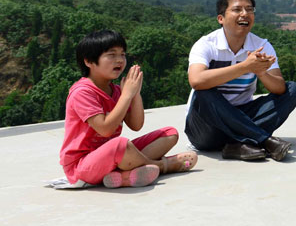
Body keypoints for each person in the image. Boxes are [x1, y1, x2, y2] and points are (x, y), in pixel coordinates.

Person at [60, 30, 197, 188]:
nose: (119, 60)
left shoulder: (117, 91)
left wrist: (135, 94)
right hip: (82, 166)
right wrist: (126, 95)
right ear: (89, 61)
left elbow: (136, 125)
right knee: (120, 145)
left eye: (122, 54)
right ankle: (163, 166)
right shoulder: (82, 92)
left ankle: (123, 176)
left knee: (170, 133)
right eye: (111, 55)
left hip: (113, 157)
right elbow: (105, 129)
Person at [184, 0, 296, 161]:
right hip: (207, 130)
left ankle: (237, 145)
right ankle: (264, 139)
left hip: (243, 114)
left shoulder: (261, 45)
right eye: (237, 9)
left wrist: (261, 72)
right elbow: (196, 81)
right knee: (204, 91)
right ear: (221, 18)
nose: (245, 14)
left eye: (250, 9)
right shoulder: (206, 45)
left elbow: (279, 88)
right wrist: (245, 67)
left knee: (293, 90)